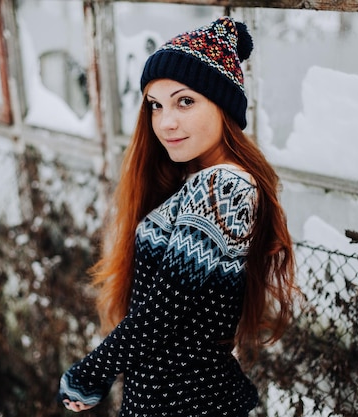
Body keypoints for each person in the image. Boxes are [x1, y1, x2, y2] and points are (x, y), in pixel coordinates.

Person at [58, 16, 296, 416]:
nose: (166, 122)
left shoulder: (224, 187)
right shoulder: (196, 181)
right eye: (156, 105)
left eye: (185, 101)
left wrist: (91, 373)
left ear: (223, 106)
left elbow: (161, 311)